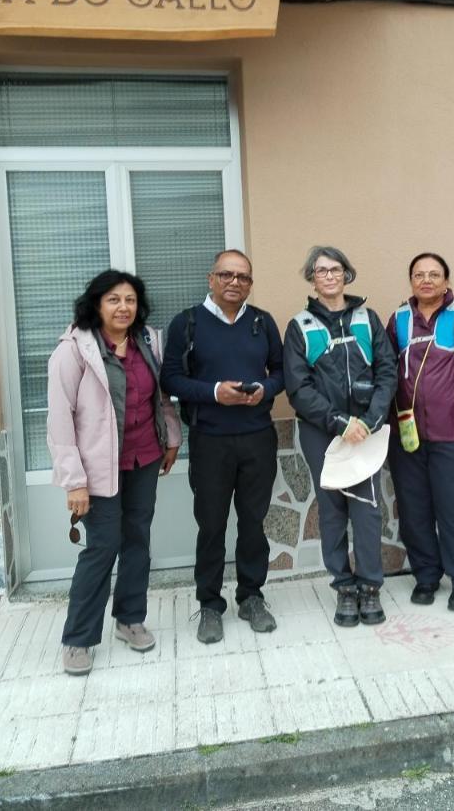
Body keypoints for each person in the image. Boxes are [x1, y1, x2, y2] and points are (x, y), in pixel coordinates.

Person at [47, 269, 181, 677]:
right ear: (97, 304)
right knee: (102, 547)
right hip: (97, 469)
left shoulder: (148, 342)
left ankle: (130, 619)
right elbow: (59, 419)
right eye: (114, 300)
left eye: (130, 300)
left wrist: (171, 437)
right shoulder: (74, 350)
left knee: (137, 539)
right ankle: (78, 639)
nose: (123, 307)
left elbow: (161, 397)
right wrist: (74, 481)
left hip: (143, 458)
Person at [160, 250, 285, 644]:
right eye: (226, 275)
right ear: (211, 278)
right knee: (211, 526)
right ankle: (210, 604)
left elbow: (282, 372)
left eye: (243, 277)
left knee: (253, 522)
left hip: (256, 438)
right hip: (210, 440)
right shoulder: (188, 323)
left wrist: (265, 388)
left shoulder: (262, 323)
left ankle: (251, 597)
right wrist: (215, 393)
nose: (235, 282)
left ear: (250, 283)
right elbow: (171, 379)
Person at [284, 246, 396, 627]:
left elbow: (387, 370)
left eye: (335, 269)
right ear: (311, 278)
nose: (329, 276)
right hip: (322, 432)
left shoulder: (368, 318)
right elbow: (298, 387)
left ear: (347, 274)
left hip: (367, 428)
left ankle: (370, 587)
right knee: (331, 510)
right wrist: (338, 422)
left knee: (366, 509)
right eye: (320, 270)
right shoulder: (300, 326)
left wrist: (372, 417)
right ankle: (344, 588)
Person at [386, 252, 454, 612]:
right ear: (411, 280)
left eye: (434, 274)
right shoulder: (399, 319)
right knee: (414, 511)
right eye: (419, 274)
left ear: (447, 281)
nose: (427, 280)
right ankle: (426, 576)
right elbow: (385, 373)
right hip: (408, 436)